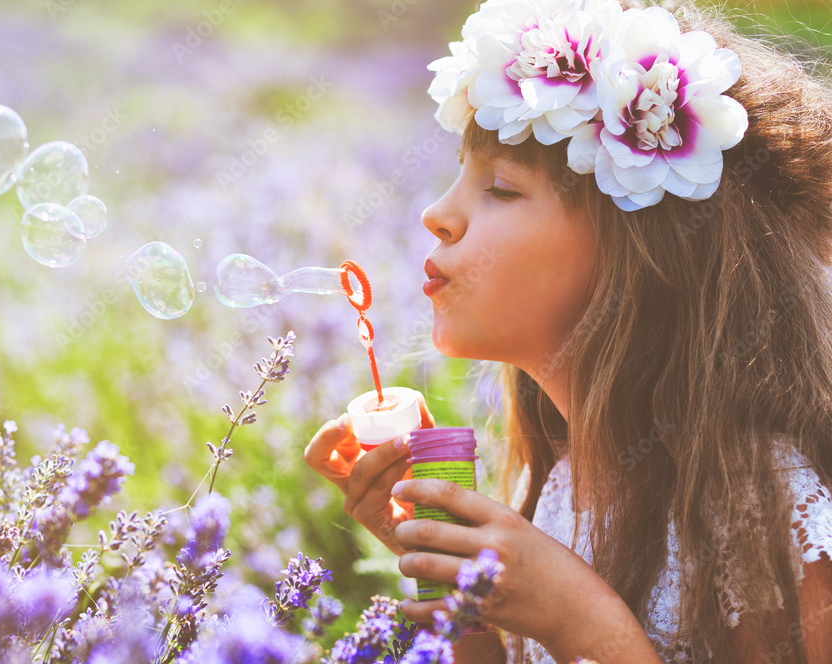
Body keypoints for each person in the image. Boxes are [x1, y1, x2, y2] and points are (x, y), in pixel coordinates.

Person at [305, 0, 832, 662]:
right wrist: (458, 589)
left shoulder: (756, 501)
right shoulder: (565, 483)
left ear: (636, 257)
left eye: (499, 188)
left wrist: (584, 623)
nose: (437, 214)